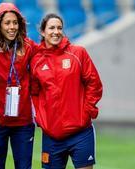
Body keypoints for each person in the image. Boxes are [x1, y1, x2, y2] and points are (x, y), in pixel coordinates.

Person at [30, 13, 103, 169]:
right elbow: (34, 93)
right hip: (52, 136)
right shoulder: (36, 61)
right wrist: (42, 118)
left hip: (80, 132)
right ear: (43, 32)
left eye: (59, 28)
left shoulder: (78, 53)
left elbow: (94, 84)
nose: (56, 31)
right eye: (51, 28)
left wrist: (86, 111)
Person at [0, 3, 37, 169]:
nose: (12, 27)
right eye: (7, 23)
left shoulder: (28, 46)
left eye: (15, 23)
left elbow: (50, 53)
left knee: (24, 166)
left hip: (23, 122)